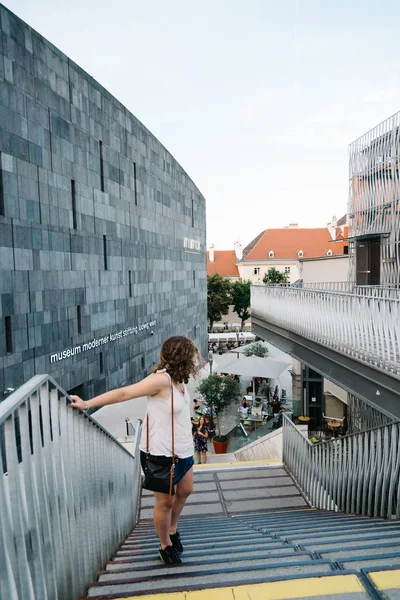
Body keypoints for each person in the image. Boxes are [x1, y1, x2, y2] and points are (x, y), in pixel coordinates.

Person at [69, 335, 201, 566]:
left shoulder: (180, 381)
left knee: (186, 490)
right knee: (165, 503)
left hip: (183, 451)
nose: (195, 359)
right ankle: (164, 545)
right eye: (192, 355)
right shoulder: (161, 380)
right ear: (183, 357)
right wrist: (88, 404)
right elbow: (124, 393)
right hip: (161, 454)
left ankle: (172, 528)